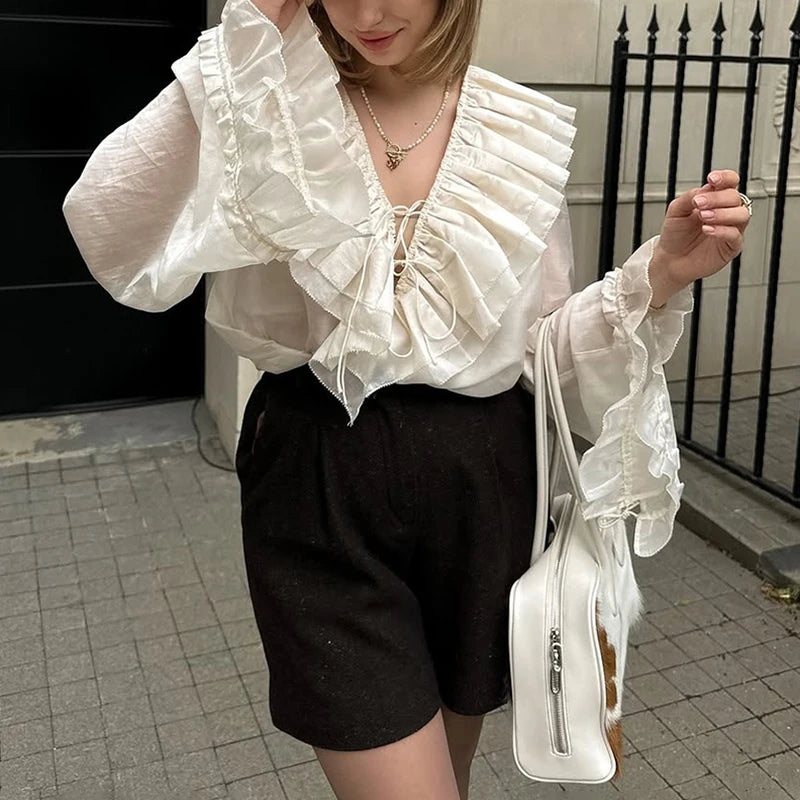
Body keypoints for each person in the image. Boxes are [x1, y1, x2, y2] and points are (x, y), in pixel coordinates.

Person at [61, 0, 751, 797]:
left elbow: (542, 350)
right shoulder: (264, 96)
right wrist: (247, 35)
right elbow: (108, 227)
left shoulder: (506, 127)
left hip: (483, 487)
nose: (364, 12)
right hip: (318, 485)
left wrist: (658, 276)